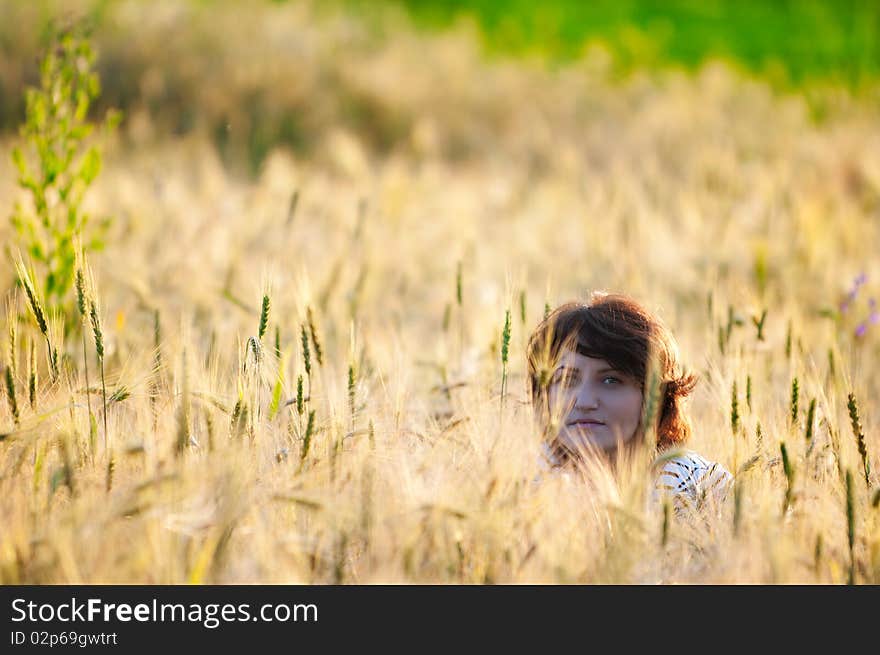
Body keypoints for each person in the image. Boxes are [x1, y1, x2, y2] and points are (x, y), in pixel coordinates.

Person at [526, 291, 732, 511]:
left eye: (610, 380)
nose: (584, 401)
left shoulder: (695, 486)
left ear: (656, 396)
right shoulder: (524, 483)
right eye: (567, 380)